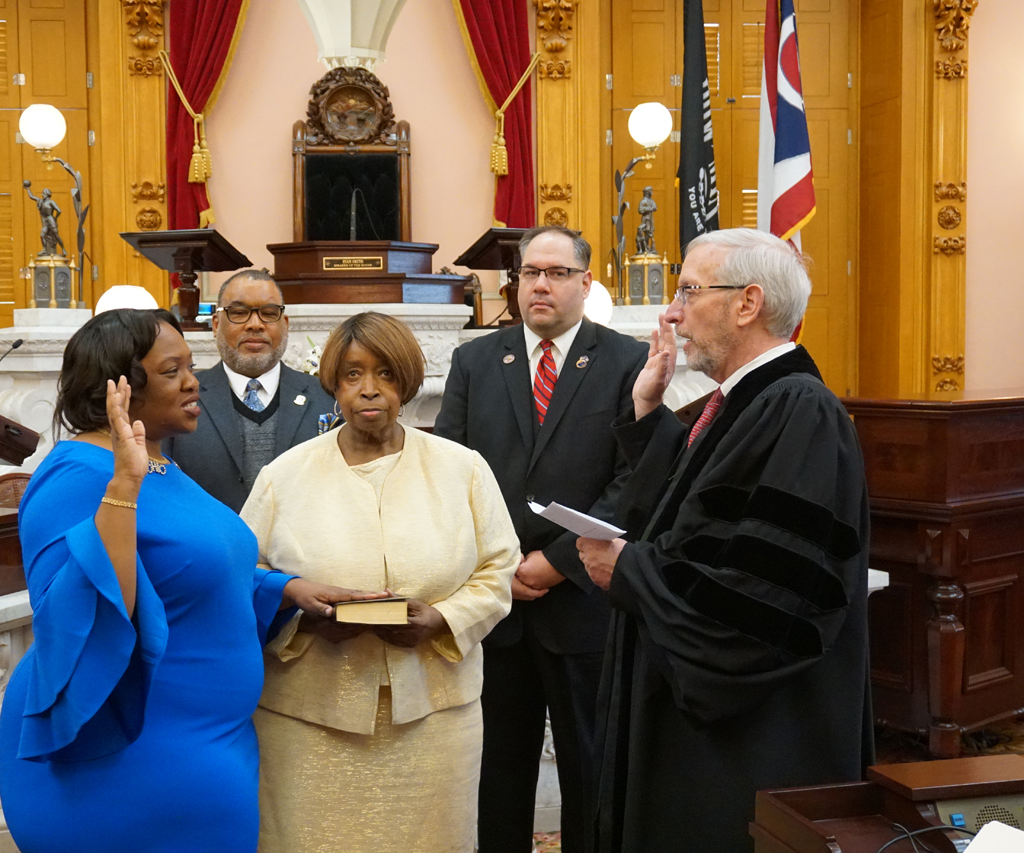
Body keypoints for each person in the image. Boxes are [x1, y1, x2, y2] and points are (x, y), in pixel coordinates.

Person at [0, 308, 378, 853]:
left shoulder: (159, 465)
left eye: (190, 366)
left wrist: (287, 591)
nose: (193, 381)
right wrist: (122, 488)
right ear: (120, 387)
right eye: (172, 370)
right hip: (125, 757)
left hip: (208, 746)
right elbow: (73, 620)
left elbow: (196, 577)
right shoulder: (75, 475)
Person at [577, 228, 874, 853]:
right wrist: (645, 414)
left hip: (752, 735)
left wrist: (630, 570)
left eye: (688, 290)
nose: (672, 311)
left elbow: (761, 592)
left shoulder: (797, 408)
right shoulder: (741, 405)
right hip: (707, 719)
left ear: (747, 303)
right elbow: (691, 519)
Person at [241, 312, 520, 853]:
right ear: (333, 384)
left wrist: (443, 619)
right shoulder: (285, 475)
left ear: (408, 383)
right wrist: (302, 616)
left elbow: (498, 568)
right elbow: (242, 573)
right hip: (308, 715)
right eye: (352, 375)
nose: (369, 390)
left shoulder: (462, 468)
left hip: (435, 717)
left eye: (386, 375)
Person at [433, 225, 648, 853]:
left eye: (556, 273)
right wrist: (500, 567)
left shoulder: (624, 361)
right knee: (497, 772)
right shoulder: (476, 360)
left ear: (585, 283)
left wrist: (556, 563)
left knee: (589, 768)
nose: (542, 285)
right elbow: (453, 469)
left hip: (583, 603)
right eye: (531, 273)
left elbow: (632, 479)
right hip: (499, 606)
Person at [163, 269, 332, 511]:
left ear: (285, 325)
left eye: (269, 314)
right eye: (239, 313)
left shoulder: (326, 398)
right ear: (216, 324)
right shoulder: (181, 400)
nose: (255, 325)